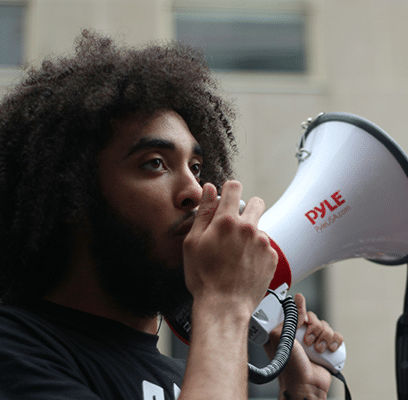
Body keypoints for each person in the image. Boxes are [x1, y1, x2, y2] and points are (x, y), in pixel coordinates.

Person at [0, 30, 343, 400]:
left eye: (196, 167)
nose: (195, 192)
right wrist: (225, 303)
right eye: (155, 164)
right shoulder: (15, 349)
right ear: (71, 194)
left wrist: (302, 392)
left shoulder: (187, 377)